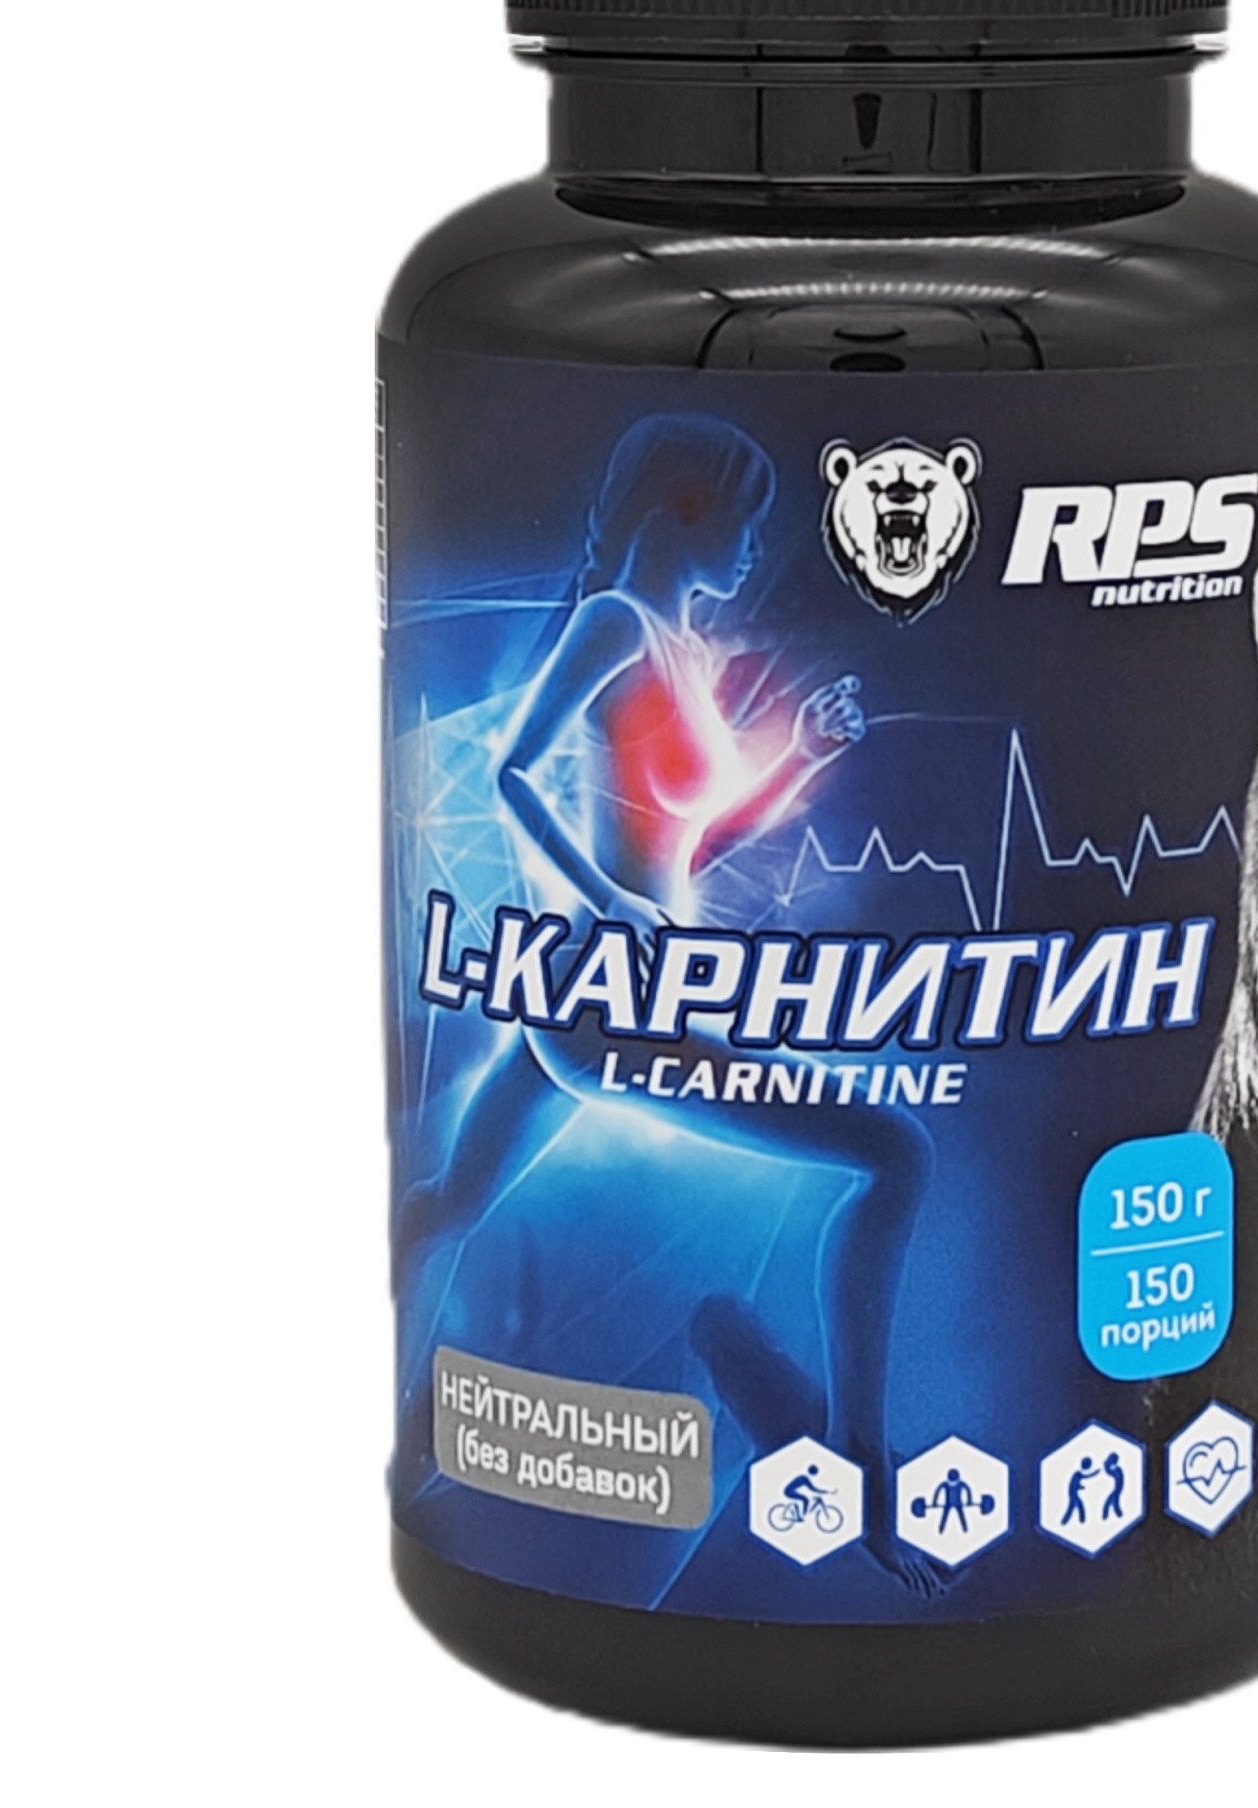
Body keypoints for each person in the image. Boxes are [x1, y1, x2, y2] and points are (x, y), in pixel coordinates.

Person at [395, 414, 936, 1593]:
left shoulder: (684, 652)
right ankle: (863, 1470)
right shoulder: (615, 622)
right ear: (682, 508)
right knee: (894, 1152)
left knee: (444, 1200)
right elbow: (509, 772)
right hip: (608, 1002)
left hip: (611, 989)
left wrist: (798, 751)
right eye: (743, 519)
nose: (753, 548)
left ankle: (415, 1427)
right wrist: (603, 901)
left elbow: (693, 837)